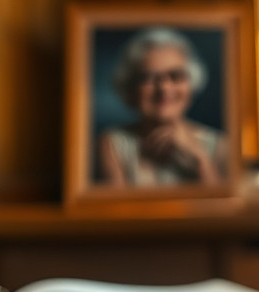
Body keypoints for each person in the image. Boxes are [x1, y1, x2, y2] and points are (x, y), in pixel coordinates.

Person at [99, 27, 231, 189]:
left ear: (192, 83)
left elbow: (224, 211)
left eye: (176, 76)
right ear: (130, 87)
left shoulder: (219, 145)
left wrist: (200, 161)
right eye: (149, 77)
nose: (164, 88)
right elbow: (114, 212)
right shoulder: (113, 143)